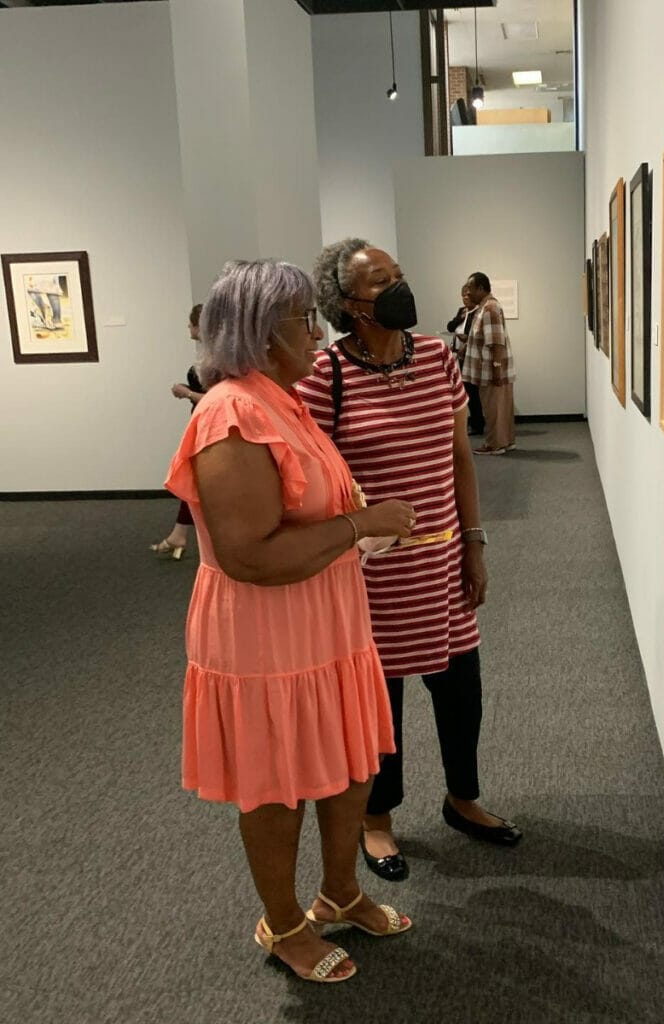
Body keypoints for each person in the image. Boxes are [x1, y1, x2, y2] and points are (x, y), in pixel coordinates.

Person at [164, 259, 414, 983]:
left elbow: (313, 512)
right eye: (305, 320)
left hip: (326, 623)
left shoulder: (284, 399)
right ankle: (282, 924)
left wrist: (362, 529)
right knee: (275, 784)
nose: (319, 332)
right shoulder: (230, 412)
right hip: (266, 635)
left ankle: (339, 893)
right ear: (260, 330)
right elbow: (248, 554)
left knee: (346, 761)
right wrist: (359, 523)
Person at [295, 238, 522, 884]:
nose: (400, 288)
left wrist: (474, 542)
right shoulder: (326, 375)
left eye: (399, 274)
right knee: (378, 705)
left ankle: (462, 797)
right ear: (348, 304)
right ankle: (377, 817)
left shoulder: (436, 358)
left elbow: (459, 457)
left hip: (444, 561)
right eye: (382, 281)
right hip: (372, 574)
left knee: (461, 693)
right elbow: (315, 481)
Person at [151, 304, 206, 560]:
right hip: (200, 420)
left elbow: (219, 398)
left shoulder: (216, 358)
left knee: (194, 478)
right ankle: (179, 534)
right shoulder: (210, 354)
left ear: (199, 326)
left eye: (191, 323)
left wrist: (187, 393)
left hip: (207, 423)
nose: (188, 328)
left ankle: (180, 535)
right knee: (192, 478)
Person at [461, 272, 516, 455]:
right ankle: (505, 442)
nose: (467, 293)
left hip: (491, 372)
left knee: (494, 411)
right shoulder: (485, 307)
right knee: (501, 409)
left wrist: (497, 371)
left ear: (481, 288)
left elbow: (496, 344)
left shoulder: (489, 309)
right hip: (491, 371)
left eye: (470, 289)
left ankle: (494, 445)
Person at [446, 284, 484, 435]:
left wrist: (466, 338)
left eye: (468, 296)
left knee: (472, 391)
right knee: (462, 389)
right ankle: (471, 423)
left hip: (471, 355)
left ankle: (477, 424)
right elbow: (450, 327)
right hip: (459, 354)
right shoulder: (462, 312)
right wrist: (460, 318)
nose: (465, 299)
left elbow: (476, 335)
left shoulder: (478, 313)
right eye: (463, 296)